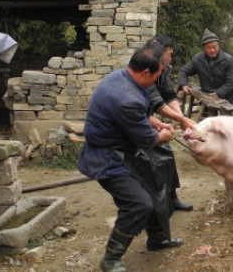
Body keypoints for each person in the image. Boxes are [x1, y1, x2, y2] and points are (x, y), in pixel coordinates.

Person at [77, 46, 183, 272]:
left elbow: (139, 116)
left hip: (125, 148)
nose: (156, 81)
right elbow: (149, 141)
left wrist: (157, 123)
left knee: (157, 181)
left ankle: (156, 239)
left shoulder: (121, 77)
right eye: (156, 76)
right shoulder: (126, 98)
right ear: (145, 72)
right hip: (107, 157)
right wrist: (164, 135)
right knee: (138, 204)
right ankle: (110, 259)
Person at [145, 35, 197, 212]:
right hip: (131, 124)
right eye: (169, 54)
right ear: (157, 54)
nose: (170, 58)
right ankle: (155, 204)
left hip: (143, 117)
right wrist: (181, 120)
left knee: (166, 152)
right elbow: (156, 102)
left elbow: (168, 95)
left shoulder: (162, 69)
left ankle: (172, 198)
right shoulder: (145, 68)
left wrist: (182, 119)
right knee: (152, 159)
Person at [178, 29, 233, 104]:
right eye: (208, 47)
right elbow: (183, 71)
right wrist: (184, 85)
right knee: (206, 114)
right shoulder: (198, 59)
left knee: (226, 114)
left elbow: (232, 81)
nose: (212, 50)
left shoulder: (228, 59)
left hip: (225, 96)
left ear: (218, 45)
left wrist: (218, 93)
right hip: (206, 95)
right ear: (204, 47)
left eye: (214, 47)